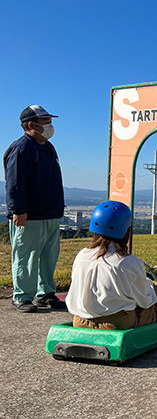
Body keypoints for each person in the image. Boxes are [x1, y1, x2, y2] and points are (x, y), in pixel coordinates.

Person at [66, 200, 157, 330]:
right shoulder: (128, 262)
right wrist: (151, 286)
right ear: (126, 231)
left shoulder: (81, 255)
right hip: (117, 323)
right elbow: (146, 300)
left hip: (80, 320)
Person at [4, 105, 66, 313]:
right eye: (45, 122)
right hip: (29, 216)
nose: (50, 126)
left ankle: (45, 294)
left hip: (50, 213)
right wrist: (18, 210)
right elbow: (15, 183)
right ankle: (22, 296)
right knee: (26, 257)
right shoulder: (21, 148)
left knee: (48, 257)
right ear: (31, 125)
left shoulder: (48, 147)